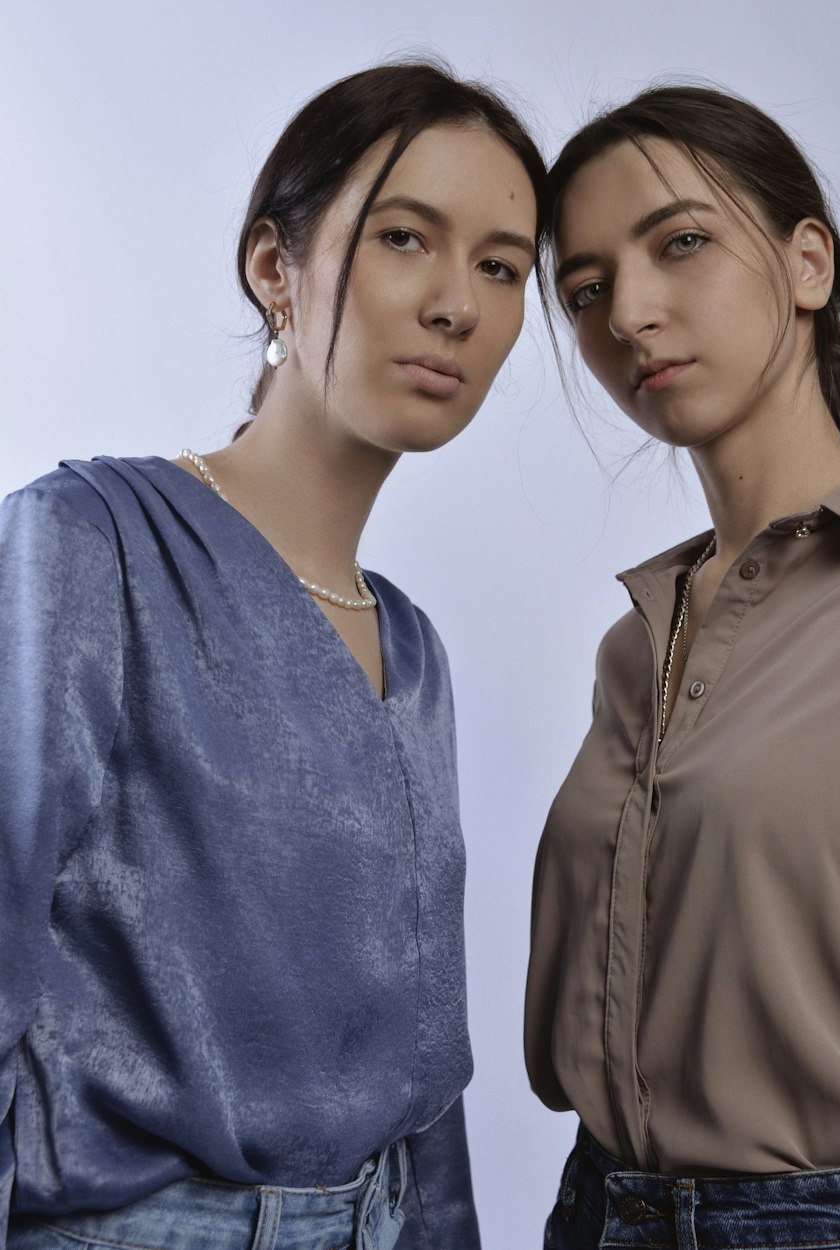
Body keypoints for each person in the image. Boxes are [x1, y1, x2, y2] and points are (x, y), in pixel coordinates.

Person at [0, 61, 545, 1250]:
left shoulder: (414, 647)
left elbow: (421, 1057)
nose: (457, 301)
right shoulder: (91, 539)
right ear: (272, 267)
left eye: (502, 266)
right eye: (406, 237)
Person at [525, 84, 840, 1250]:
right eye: (583, 291)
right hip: (593, 1209)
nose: (627, 311)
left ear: (807, 264)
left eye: (679, 242)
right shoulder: (637, 640)